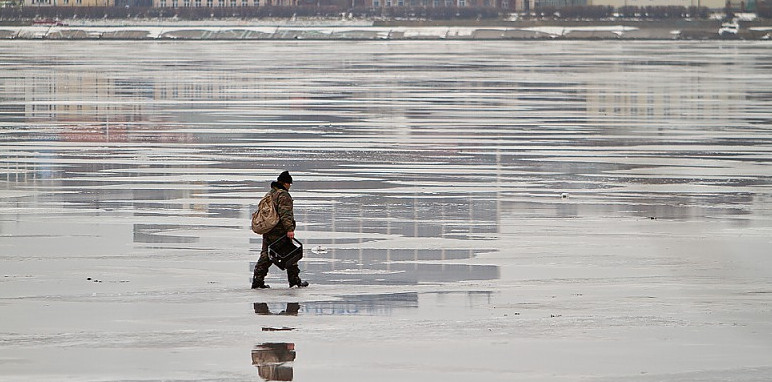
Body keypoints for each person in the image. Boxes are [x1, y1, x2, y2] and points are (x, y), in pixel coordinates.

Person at [252, 171, 308, 289]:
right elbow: (285, 214)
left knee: (266, 254)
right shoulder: (283, 195)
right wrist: (289, 229)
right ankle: (294, 281)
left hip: (268, 228)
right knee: (290, 254)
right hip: (279, 231)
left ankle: (258, 279)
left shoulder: (270, 194)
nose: (289, 186)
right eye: (289, 184)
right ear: (286, 183)